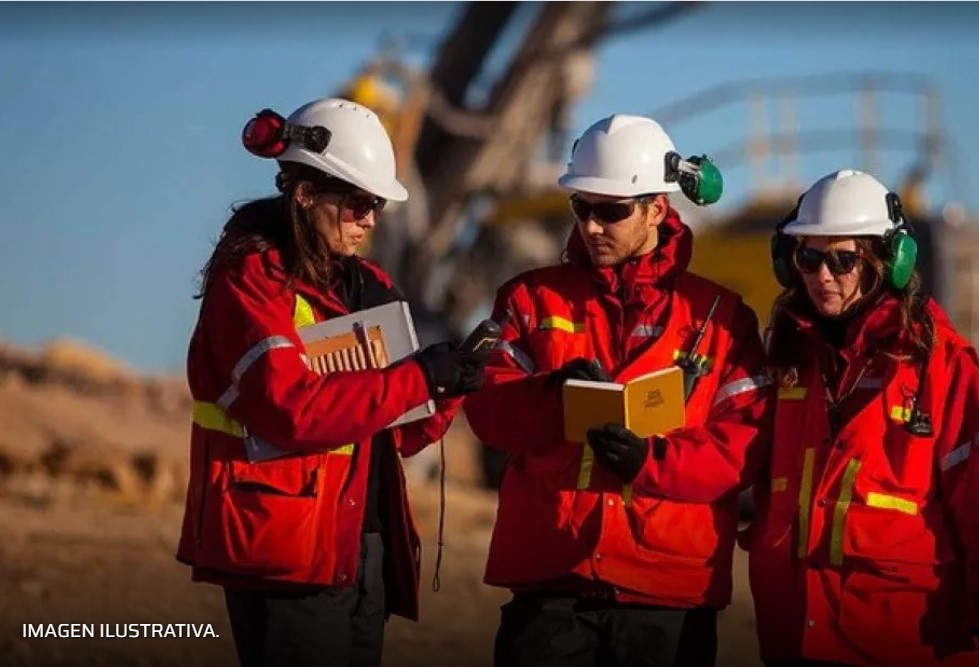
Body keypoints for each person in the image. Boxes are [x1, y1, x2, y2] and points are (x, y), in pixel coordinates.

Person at [175, 97, 489, 667]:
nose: (370, 219)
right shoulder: (251, 284)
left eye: (376, 206)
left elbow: (399, 435)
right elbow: (290, 408)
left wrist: (446, 388)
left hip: (362, 545)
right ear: (305, 195)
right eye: (358, 203)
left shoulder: (369, 285)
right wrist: (418, 378)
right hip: (284, 546)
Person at [462, 114, 773, 667]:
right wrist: (553, 394)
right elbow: (489, 409)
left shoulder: (723, 319)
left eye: (611, 211)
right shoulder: (529, 301)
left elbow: (742, 446)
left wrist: (651, 460)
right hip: (552, 584)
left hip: (668, 595)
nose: (592, 227)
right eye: (582, 208)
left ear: (658, 208)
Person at [744, 169, 979, 667]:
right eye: (808, 257)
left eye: (842, 260)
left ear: (885, 262)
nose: (822, 276)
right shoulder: (785, 357)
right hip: (795, 629)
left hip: (901, 633)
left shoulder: (939, 360)